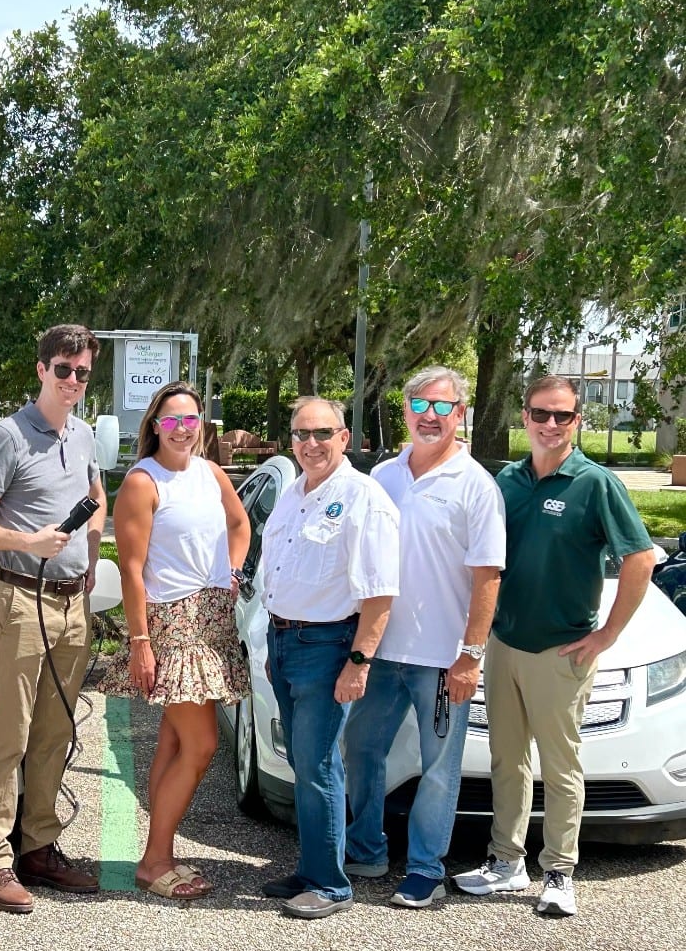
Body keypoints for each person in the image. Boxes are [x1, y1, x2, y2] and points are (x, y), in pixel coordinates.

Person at [454, 376, 654, 917]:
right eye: (541, 414)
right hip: (504, 643)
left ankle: (560, 871)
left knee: (560, 765)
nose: (550, 425)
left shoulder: (594, 484)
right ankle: (506, 862)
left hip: (561, 651)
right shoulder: (509, 482)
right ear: (525, 417)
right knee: (507, 759)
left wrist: (607, 635)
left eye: (562, 416)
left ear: (577, 422)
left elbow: (640, 557)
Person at [344, 368, 505, 908]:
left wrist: (470, 655)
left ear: (461, 413)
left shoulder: (477, 486)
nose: (429, 416)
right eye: (419, 405)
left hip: (441, 659)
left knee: (440, 768)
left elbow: (488, 577)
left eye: (442, 406)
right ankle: (365, 850)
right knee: (363, 751)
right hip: (380, 652)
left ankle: (424, 868)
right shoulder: (384, 477)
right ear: (406, 409)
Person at [0, 323, 107, 914]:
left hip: (73, 602)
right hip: (21, 599)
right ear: (42, 369)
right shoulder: (8, 436)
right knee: (10, 736)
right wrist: (31, 540)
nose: (73, 382)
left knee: (55, 733)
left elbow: (96, 498)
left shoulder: (87, 434)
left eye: (83, 374)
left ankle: (39, 847)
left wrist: (91, 554)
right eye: (64, 370)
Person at [103, 382, 250, 899]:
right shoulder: (144, 482)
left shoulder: (210, 473)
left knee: (175, 739)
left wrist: (230, 570)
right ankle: (155, 859)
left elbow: (239, 522)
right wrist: (140, 640)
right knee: (203, 744)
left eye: (191, 420)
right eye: (172, 420)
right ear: (155, 427)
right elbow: (131, 569)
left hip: (212, 618)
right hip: (173, 624)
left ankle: (157, 852)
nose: (183, 429)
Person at [259, 397, 400, 920]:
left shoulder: (365, 498)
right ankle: (312, 866)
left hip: (327, 646)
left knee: (317, 763)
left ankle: (331, 884)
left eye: (322, 433)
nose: (310, 443)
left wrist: (359, 662)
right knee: (302, 760)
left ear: (345, 437)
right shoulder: (294, 494)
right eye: (300, 434)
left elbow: (380, 593)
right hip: (285, 641)